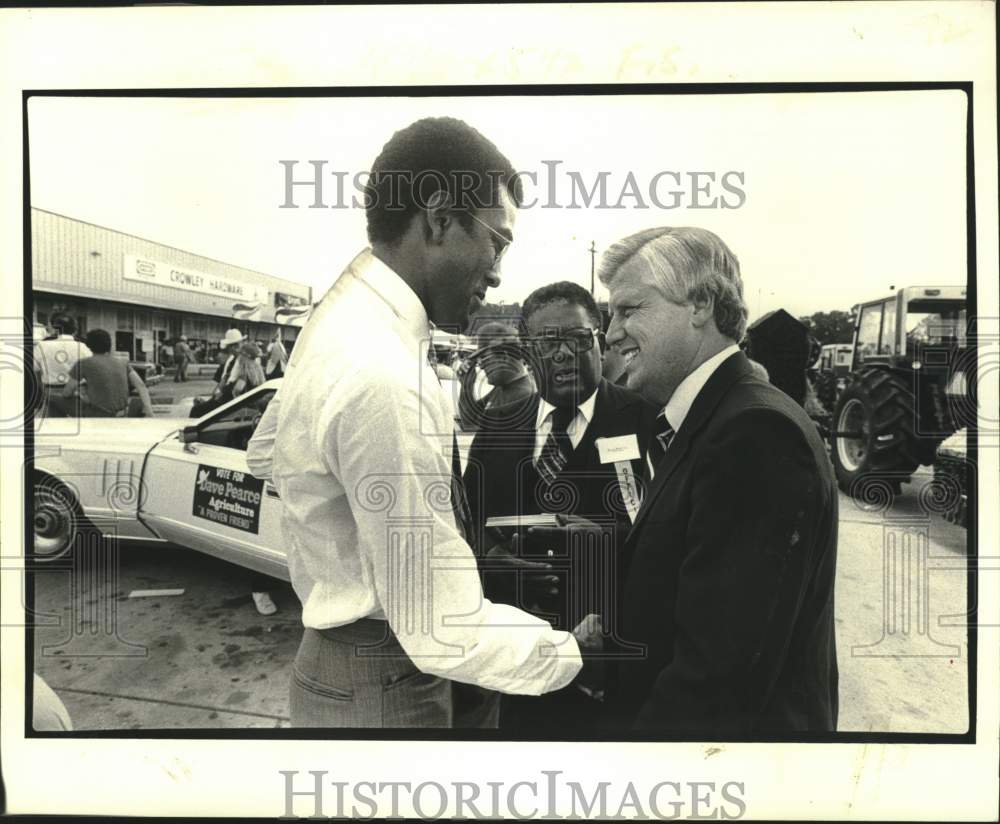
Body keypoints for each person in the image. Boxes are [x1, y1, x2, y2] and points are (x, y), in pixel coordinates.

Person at [246, 116, 583, 729]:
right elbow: (437, 628)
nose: (499, 271)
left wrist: (343, 541)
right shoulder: (383, 371)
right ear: (438, 218)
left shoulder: (342, 326)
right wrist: (573, 652)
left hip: (341, 665)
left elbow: (266, 451)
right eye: (498, 241)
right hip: (385, 680)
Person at [593, 226, 838, 734]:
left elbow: (717, 677)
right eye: (610, 313)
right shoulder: (719, 418)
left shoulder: (754, 432)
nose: (610, 332)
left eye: (629, 309)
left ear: (700, 304)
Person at [462, 281, 658, 733]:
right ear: (529, 353)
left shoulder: (648, 422)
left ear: (600, 337)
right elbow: (464, 521)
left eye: (577, 339)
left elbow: (674, 540)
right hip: (518, 665)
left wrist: (609, 545)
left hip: (612, 668)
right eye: (548, 344)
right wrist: (489, 557)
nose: (564, 355)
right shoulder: (498, 426)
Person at [456, 321, 536, 430]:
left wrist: (467, 387)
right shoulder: (503, 388)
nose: (482, 366)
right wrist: (466, 386)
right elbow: (469, 421)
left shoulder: (525, 395)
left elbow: (473, 430)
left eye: (484, 358)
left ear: (504, 356)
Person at [62, 329, 154, 418]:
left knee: (53, 400)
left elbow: (67, 392)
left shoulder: (84, 363)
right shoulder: (123, 362)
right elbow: (141, 386)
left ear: (88, 346)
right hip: (122, 413)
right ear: (110, 345)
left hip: (98, 414)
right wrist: (148, 410)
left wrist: (80, 393)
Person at [33, 312, 92, 417]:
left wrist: (43, 388)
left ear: (54, 328)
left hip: (51, 390)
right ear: (74, 330)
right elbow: (90, 372)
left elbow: (35, 371)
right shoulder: (83, 347)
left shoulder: (42, 346)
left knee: (54, 427)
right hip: (77, 392)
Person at [190, 329, 244, 418]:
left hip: (229, 401)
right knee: (198, 407)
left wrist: (216, 398)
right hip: (225, 397)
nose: (229, 350)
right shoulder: (232, 360)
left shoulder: (242, 362)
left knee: (196, 410)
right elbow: (223, 382)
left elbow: (236, 388)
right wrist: (212, 399)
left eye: (230, 347)